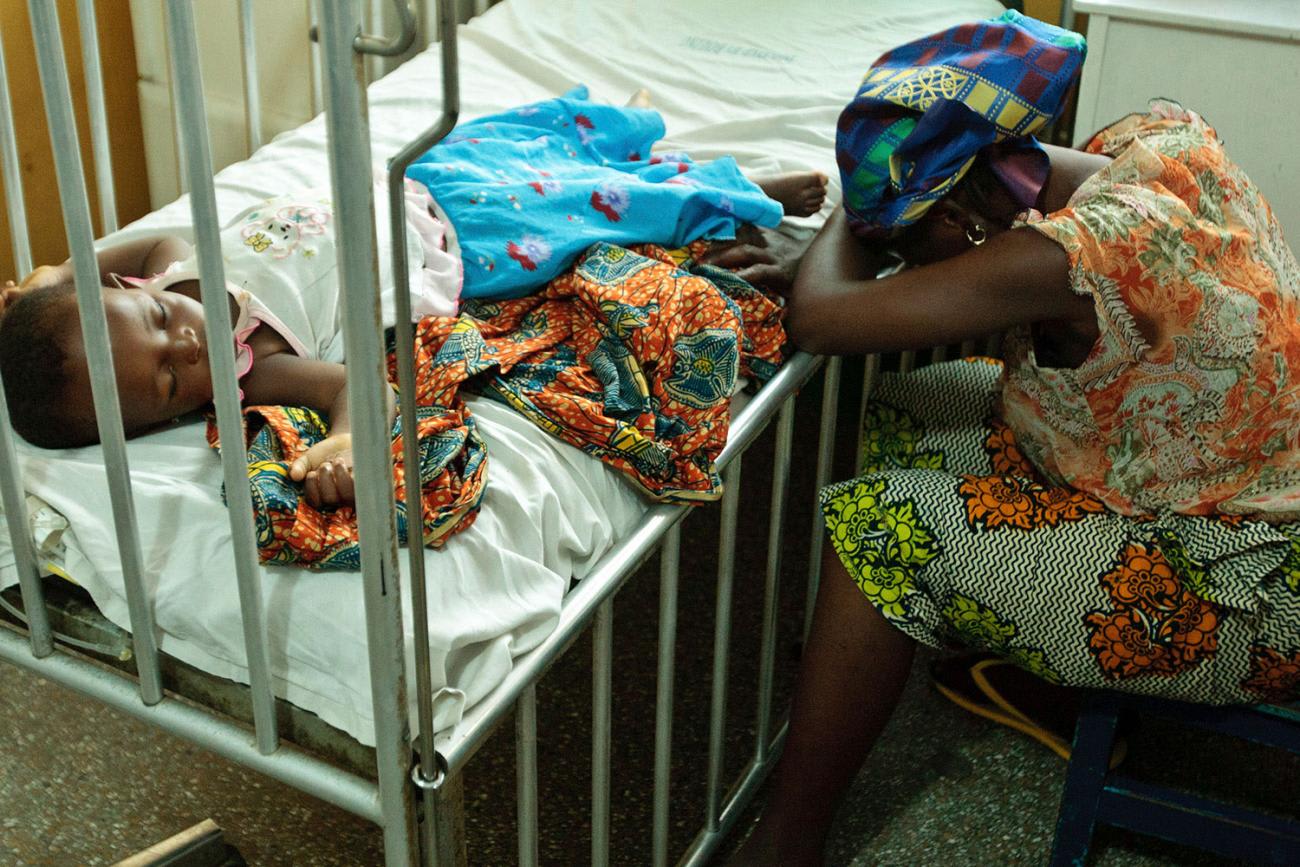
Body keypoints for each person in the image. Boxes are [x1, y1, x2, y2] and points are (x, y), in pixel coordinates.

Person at [734, 10, 1300, 866]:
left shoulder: (1063, 258)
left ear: (966, 207)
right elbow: (913, 295)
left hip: (1248, 581)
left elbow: (821, 318)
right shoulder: (1155, 140)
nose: (908, 263)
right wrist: (904, 219)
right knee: (916, 400)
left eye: (907, 242)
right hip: (1207, 470)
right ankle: (975, 647)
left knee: (882, 529)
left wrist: (856, 210)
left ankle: (785, 844)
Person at [0, 88, 826, 510]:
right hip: (463, 249)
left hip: (416, 184)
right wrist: (343, 446)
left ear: (132, 290)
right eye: (174, 382)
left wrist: (58, 275)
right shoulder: (258, 367)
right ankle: (738, 191)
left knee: (540, 142)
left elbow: (120, 252)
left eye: (156, 322)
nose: (188, 344)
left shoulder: (173, 263)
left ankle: (681, 163)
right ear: (172, 415)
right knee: (597, 213)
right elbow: (355, 387)